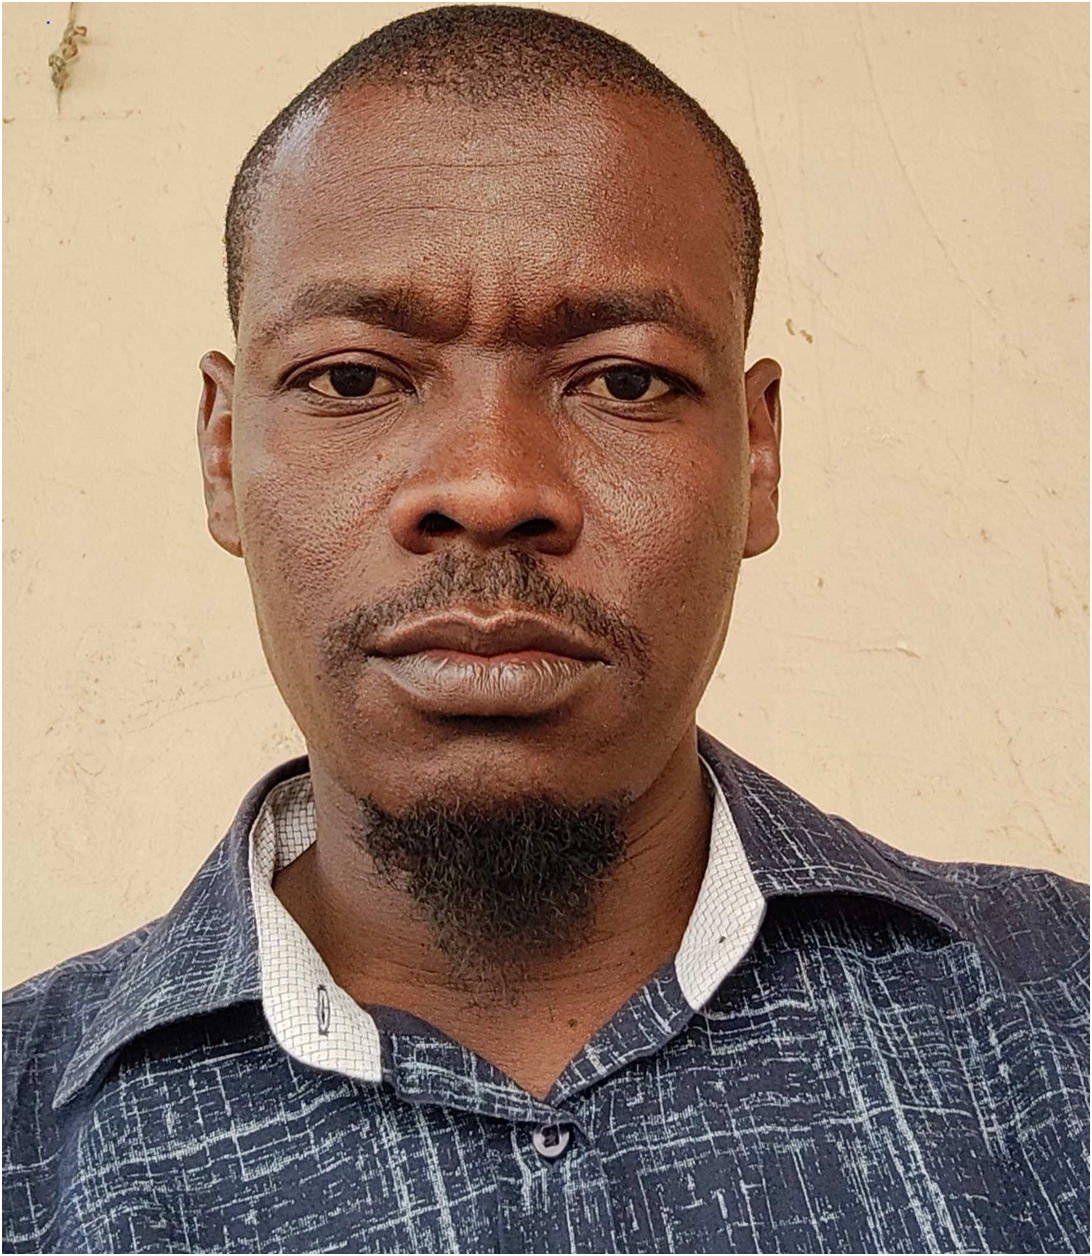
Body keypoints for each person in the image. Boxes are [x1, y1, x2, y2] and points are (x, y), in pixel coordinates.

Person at [3, 6, 1087, 1255]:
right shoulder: (28, 1138)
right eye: (352, 377)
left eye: (624, 379)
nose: (489, 485)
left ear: (758, 453)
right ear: (223, 449)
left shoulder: (1061, 1017)